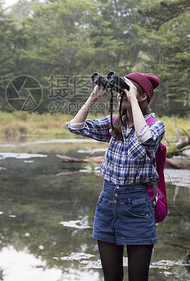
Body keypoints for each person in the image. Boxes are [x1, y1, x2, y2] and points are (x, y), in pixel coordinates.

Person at [67, 72, 165, 281]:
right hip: (108, 203)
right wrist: (93, 97)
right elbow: (75, 126)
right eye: (120, 90)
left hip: (138, 205)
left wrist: (131, 100)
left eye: (126, 90)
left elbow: (146, 139)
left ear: (142, 97)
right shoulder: (114, 123)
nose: (120, 94)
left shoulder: (156, 125)